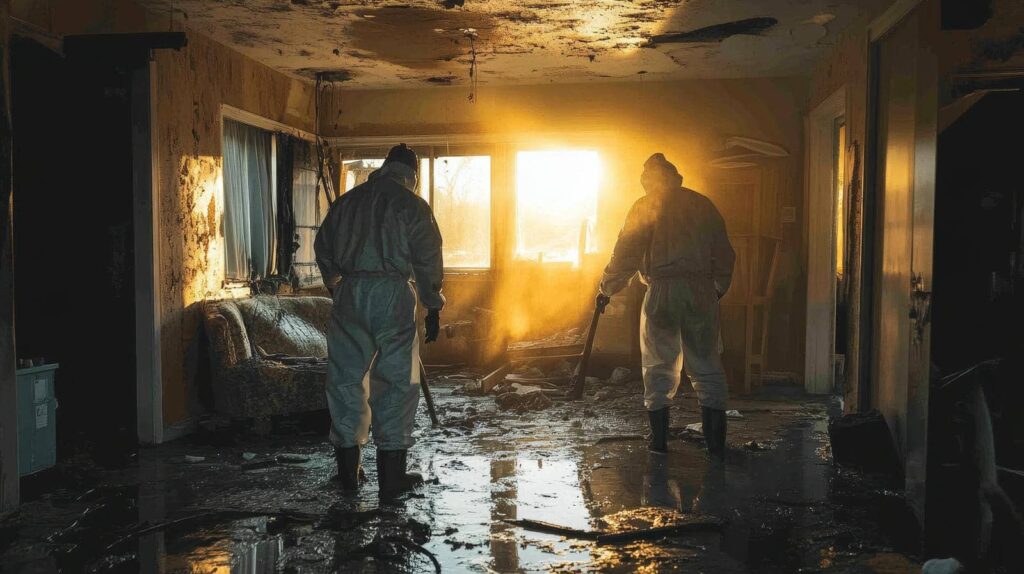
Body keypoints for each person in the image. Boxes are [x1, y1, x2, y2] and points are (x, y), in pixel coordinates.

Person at [314, 143, 444, 498]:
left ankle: (348, 474)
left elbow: (322, 247)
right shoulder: (412, 206)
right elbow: (428, 261)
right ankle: (392, 479)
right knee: (398, 382)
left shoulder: (347, 202)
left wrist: (337, 286)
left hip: (350, 293)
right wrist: (433, 306)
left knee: (345, 380)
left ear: (384, 167)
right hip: (392, 295)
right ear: (412, 175)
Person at [598, 153, 735, 460]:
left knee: (658, 364)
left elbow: (625, 255)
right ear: (676, 177)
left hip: (661, 290)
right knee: (707, 364)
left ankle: (659, 443)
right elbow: (725, 254)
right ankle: (716, 446)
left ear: (649, 180)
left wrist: (606, 287)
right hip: (700, 289)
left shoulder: (644, 206)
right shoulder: (703, 205)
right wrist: (717, 290)